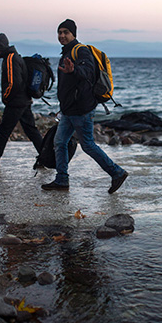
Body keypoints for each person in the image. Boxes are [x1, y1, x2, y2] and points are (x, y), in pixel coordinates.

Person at [41, 19, 128, 193]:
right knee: (60, 142)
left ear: (74, 34)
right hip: (69, 109)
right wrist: (63, 104)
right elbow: (69, 86)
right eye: (59, 32)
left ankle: (117, 172)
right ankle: (62, 180)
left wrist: (74, 71)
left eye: (66, 32)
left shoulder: (81, 50)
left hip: (81, 109)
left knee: (87, 145)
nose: (62, 35)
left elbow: (88, 71)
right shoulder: (66, 53)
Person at [0, 33, 43, 168]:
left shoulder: (9, 59)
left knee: (4, 131)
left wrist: (6, 97)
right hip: (24, 101)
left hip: (16, 103)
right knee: (31, 130)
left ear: (0, 47)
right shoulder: (16, 57)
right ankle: (46, 157)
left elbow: (13, 83)